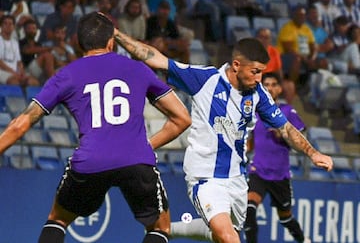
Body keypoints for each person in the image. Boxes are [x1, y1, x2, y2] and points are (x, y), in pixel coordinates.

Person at [114, 30, 334, 243]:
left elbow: (285, 128)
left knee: (223, 235)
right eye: (255, 72)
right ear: (236, 66)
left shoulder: (258, 95)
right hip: (205, 177)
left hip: (237, 180)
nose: (259, 78)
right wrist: (115, 33)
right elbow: (156, 59)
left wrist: (313, 153)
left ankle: (167, 230)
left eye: (262, 72)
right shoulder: (205, 80)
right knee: (229, 238)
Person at [0, 11, 191, 243]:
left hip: (91, 160)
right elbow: (182, 119)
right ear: (111, 41)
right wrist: (146, 146)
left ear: (79, 44)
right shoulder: (138, 69)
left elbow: (21, 124)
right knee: (160, 228)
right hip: (136, 159)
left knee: (57, 220)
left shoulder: (67, 75)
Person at [244, 72, 311, 243]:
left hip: (280, 174)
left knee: (285, 219)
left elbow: (301, 135)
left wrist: (285, 134)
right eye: (266, 84)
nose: (270, 88)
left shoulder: (287, 111)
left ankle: (303, 240)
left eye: (274, 85)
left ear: (280, 89)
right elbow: (249, 141)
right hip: (258, 170)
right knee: (249, 209)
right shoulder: (253, 112)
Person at [255, 27, 296, 104]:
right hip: (257, 80)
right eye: (261, 37)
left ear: (270, 40)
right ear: (256, 38)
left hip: (271, 78)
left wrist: (280, 83)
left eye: (266, 38)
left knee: (290, 85)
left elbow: (279, 71)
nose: (264, 40)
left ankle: (284, 110)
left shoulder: (274, 51)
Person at [0, 14, 39, 86]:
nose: (8, 26)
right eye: (5, 23)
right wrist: (13, 72)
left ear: (13, 27)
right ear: (1, 26)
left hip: (15, 72)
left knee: (33, 82)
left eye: (10, 24)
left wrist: (22, 72)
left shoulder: (15, 42)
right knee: (15, 82)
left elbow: (19, 62)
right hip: (2, 71)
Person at [19, 18, 55, 84]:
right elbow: (28, 50)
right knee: (47, 55)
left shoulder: (39, 44)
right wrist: (51, 48)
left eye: (34, 28)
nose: (32, 31)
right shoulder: (20, 42)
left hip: (38, 71)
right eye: (29, 28)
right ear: (24, 30)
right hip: (26, 70)